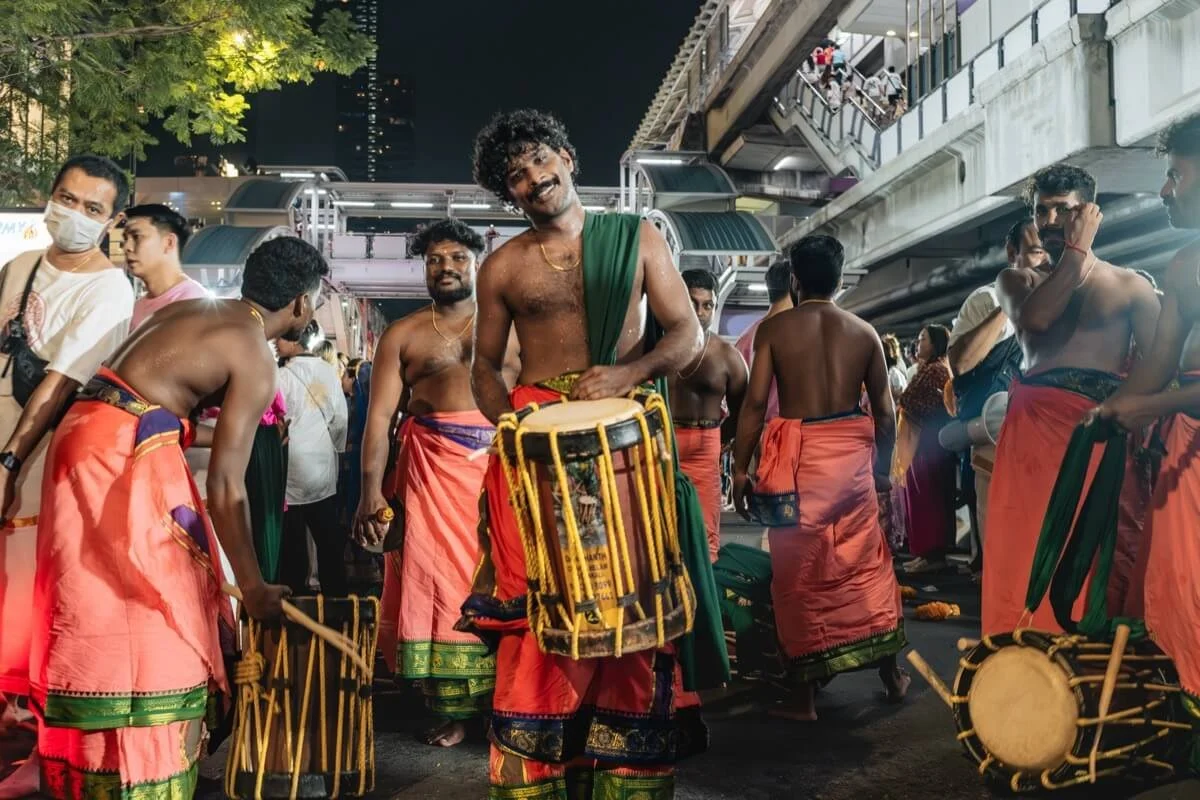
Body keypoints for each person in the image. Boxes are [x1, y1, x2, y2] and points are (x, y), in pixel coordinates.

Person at [450, 109, 722, 798]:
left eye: (541, 160)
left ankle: (628, 772)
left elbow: (685, 335)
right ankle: (538, 769)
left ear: (568, 157)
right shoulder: (505, 266)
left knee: (631, 602)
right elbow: (485, 366)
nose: (534, 178)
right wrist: (509, 425)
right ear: (508, 194)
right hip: (536, 452)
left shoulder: (636, 237)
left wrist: (627, 376)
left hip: (626, 441)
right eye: (516, 175)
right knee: (543, 607)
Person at [28, 235, 321, 799]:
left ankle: (90, 755)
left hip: (83, 436)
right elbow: (227, 485)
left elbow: (151, 401)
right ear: (303, 304)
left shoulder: (194, 309)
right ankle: (143, 758)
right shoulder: (256, 351)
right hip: (121, 455)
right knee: (163, 600)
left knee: (93, 595)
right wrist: (254, 586)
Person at [0, 155, 136, 796]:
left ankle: (37, 743)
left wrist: (10, 460)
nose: (73, 215)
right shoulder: (19, 268)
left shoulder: (110, 288)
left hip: (44, 459)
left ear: (111, 221)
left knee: (32, 598)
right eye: (65, 198)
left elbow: (59, 383)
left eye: (91, 208)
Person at [355, 219, 519, 748]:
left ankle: (508, 702)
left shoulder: (508, 327)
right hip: (427, 475)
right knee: (439, 585)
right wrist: (370, 492)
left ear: (478, 262)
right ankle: (457, 709)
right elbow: (378, 420)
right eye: (434, 259)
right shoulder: (403, 334)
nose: (445, 267)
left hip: (498, 467)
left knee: (502, 579)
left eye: (457, 258)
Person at [732, 234, 907, 722]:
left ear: (794, 279)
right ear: (840, 276)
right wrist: (880, 473)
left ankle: (803, 699)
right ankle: (892, 677)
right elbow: (886, 414)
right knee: (865, 565)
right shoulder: (865, 333)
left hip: (800, 470)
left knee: (800, 575)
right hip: (850, 466)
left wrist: (741, 469)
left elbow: (752, 404)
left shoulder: (775, 331)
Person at [984, 164, 1159, 636]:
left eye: (1064, 210)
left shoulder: (1131, 286)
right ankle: (1018, 670)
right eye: (1042, 211)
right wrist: (1077, 255)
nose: (1051, 221)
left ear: (1090, 212)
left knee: (1094, 556)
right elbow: (1037, 323)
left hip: (1102, 434)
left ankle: (1090, 676)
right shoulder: (1017, 281)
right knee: (1024, 550)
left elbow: (1158, 365)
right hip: (1031, 437)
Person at [1096, 114, 1200, 745]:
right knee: (1181, 601)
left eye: (1176, 173)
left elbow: (1157, 395)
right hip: (1184, 463)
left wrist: (1153, 408)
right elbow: (1152, 375)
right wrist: (1102, 413)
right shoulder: (1183, 267)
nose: (1165, 191)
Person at [946, 220, 1045, 573]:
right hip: (995, 439)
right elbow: (960, 363)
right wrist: (1009, 302)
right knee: (1002, 547)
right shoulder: (987, 300)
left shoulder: (1068, 296)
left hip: (1047, 442)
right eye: (1035, 251)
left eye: (1051, 249)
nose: (1045, 259)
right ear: (1011, 253)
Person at [668, 269, 748, 562]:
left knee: (705, 541)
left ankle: (704, 604)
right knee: (662, 537)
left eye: (707, 305)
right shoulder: (656, 348)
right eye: (693, 303)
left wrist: (717, 438)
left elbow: (743, 413)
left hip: (705, 452)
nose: (700, 312)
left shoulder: (728, 356)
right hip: (663, 447)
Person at [277, 323, 349, 597]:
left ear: (295, 339)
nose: (276, 341)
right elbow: (340, 419)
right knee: (328, 540)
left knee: (293, 542)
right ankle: (337, 603)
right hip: (320, 464)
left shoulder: (281, 376)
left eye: (282, 336)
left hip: (290, 467)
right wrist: (336, 447)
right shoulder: (327, 373)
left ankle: (294, 603)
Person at [896, 325, 956, 575]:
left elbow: (910, 400)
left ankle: (934, 555)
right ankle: (924, 554)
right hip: (920, 445)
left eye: (923, 339)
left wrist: (902, 400)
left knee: (929, 500)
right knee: (919, 500)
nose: (918, 344)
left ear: (937, 344)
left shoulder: (937, 370)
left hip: (929, 446)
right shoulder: (929, 369)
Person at [122, 204, 209, 331]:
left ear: (169, 242)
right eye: (125, 239)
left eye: (137, 237)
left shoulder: (193, 304)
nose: (127, 247)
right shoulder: (138, 307)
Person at [734, 261, 793, 430]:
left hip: (753, 434)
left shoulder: (745, 338)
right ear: (796, 286)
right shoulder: (797, 336)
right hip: (786, 436)